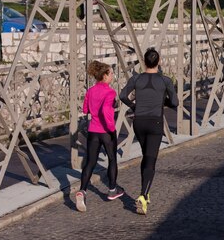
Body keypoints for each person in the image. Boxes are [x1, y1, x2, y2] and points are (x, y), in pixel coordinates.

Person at [119, 47, 178, 215]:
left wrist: (134, 105)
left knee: (146, 156)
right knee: (151, 159)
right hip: (155, 122)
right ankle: (143, 196)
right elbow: (175, 102)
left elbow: (122, 95)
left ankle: (146, 189)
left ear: (144, 62)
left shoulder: (136, 79)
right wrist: (162, 101)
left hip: (139, 121)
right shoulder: (165, 81)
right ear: (159, 62)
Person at [76, 61, 124, 212]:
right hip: (106, 131)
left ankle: (82, 190)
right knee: (112, 159)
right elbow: (104, 110)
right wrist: (111, 129)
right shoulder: (110, 92)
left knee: (90, 162)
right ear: (104, 76)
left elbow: (85, 109)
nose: (112, 76)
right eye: (110, 74)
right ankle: (112, 190)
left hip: (93, 131)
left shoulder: (90, 91)